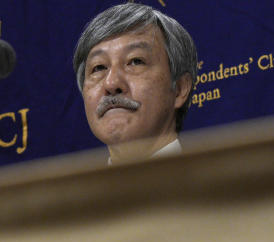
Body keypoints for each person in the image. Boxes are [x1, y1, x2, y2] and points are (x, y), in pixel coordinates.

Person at [72, 3, 197, 163]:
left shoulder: (224, 184)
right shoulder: (67, 188)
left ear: (179, 89)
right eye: (99, 67)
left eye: (135, 61)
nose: (111, 83)